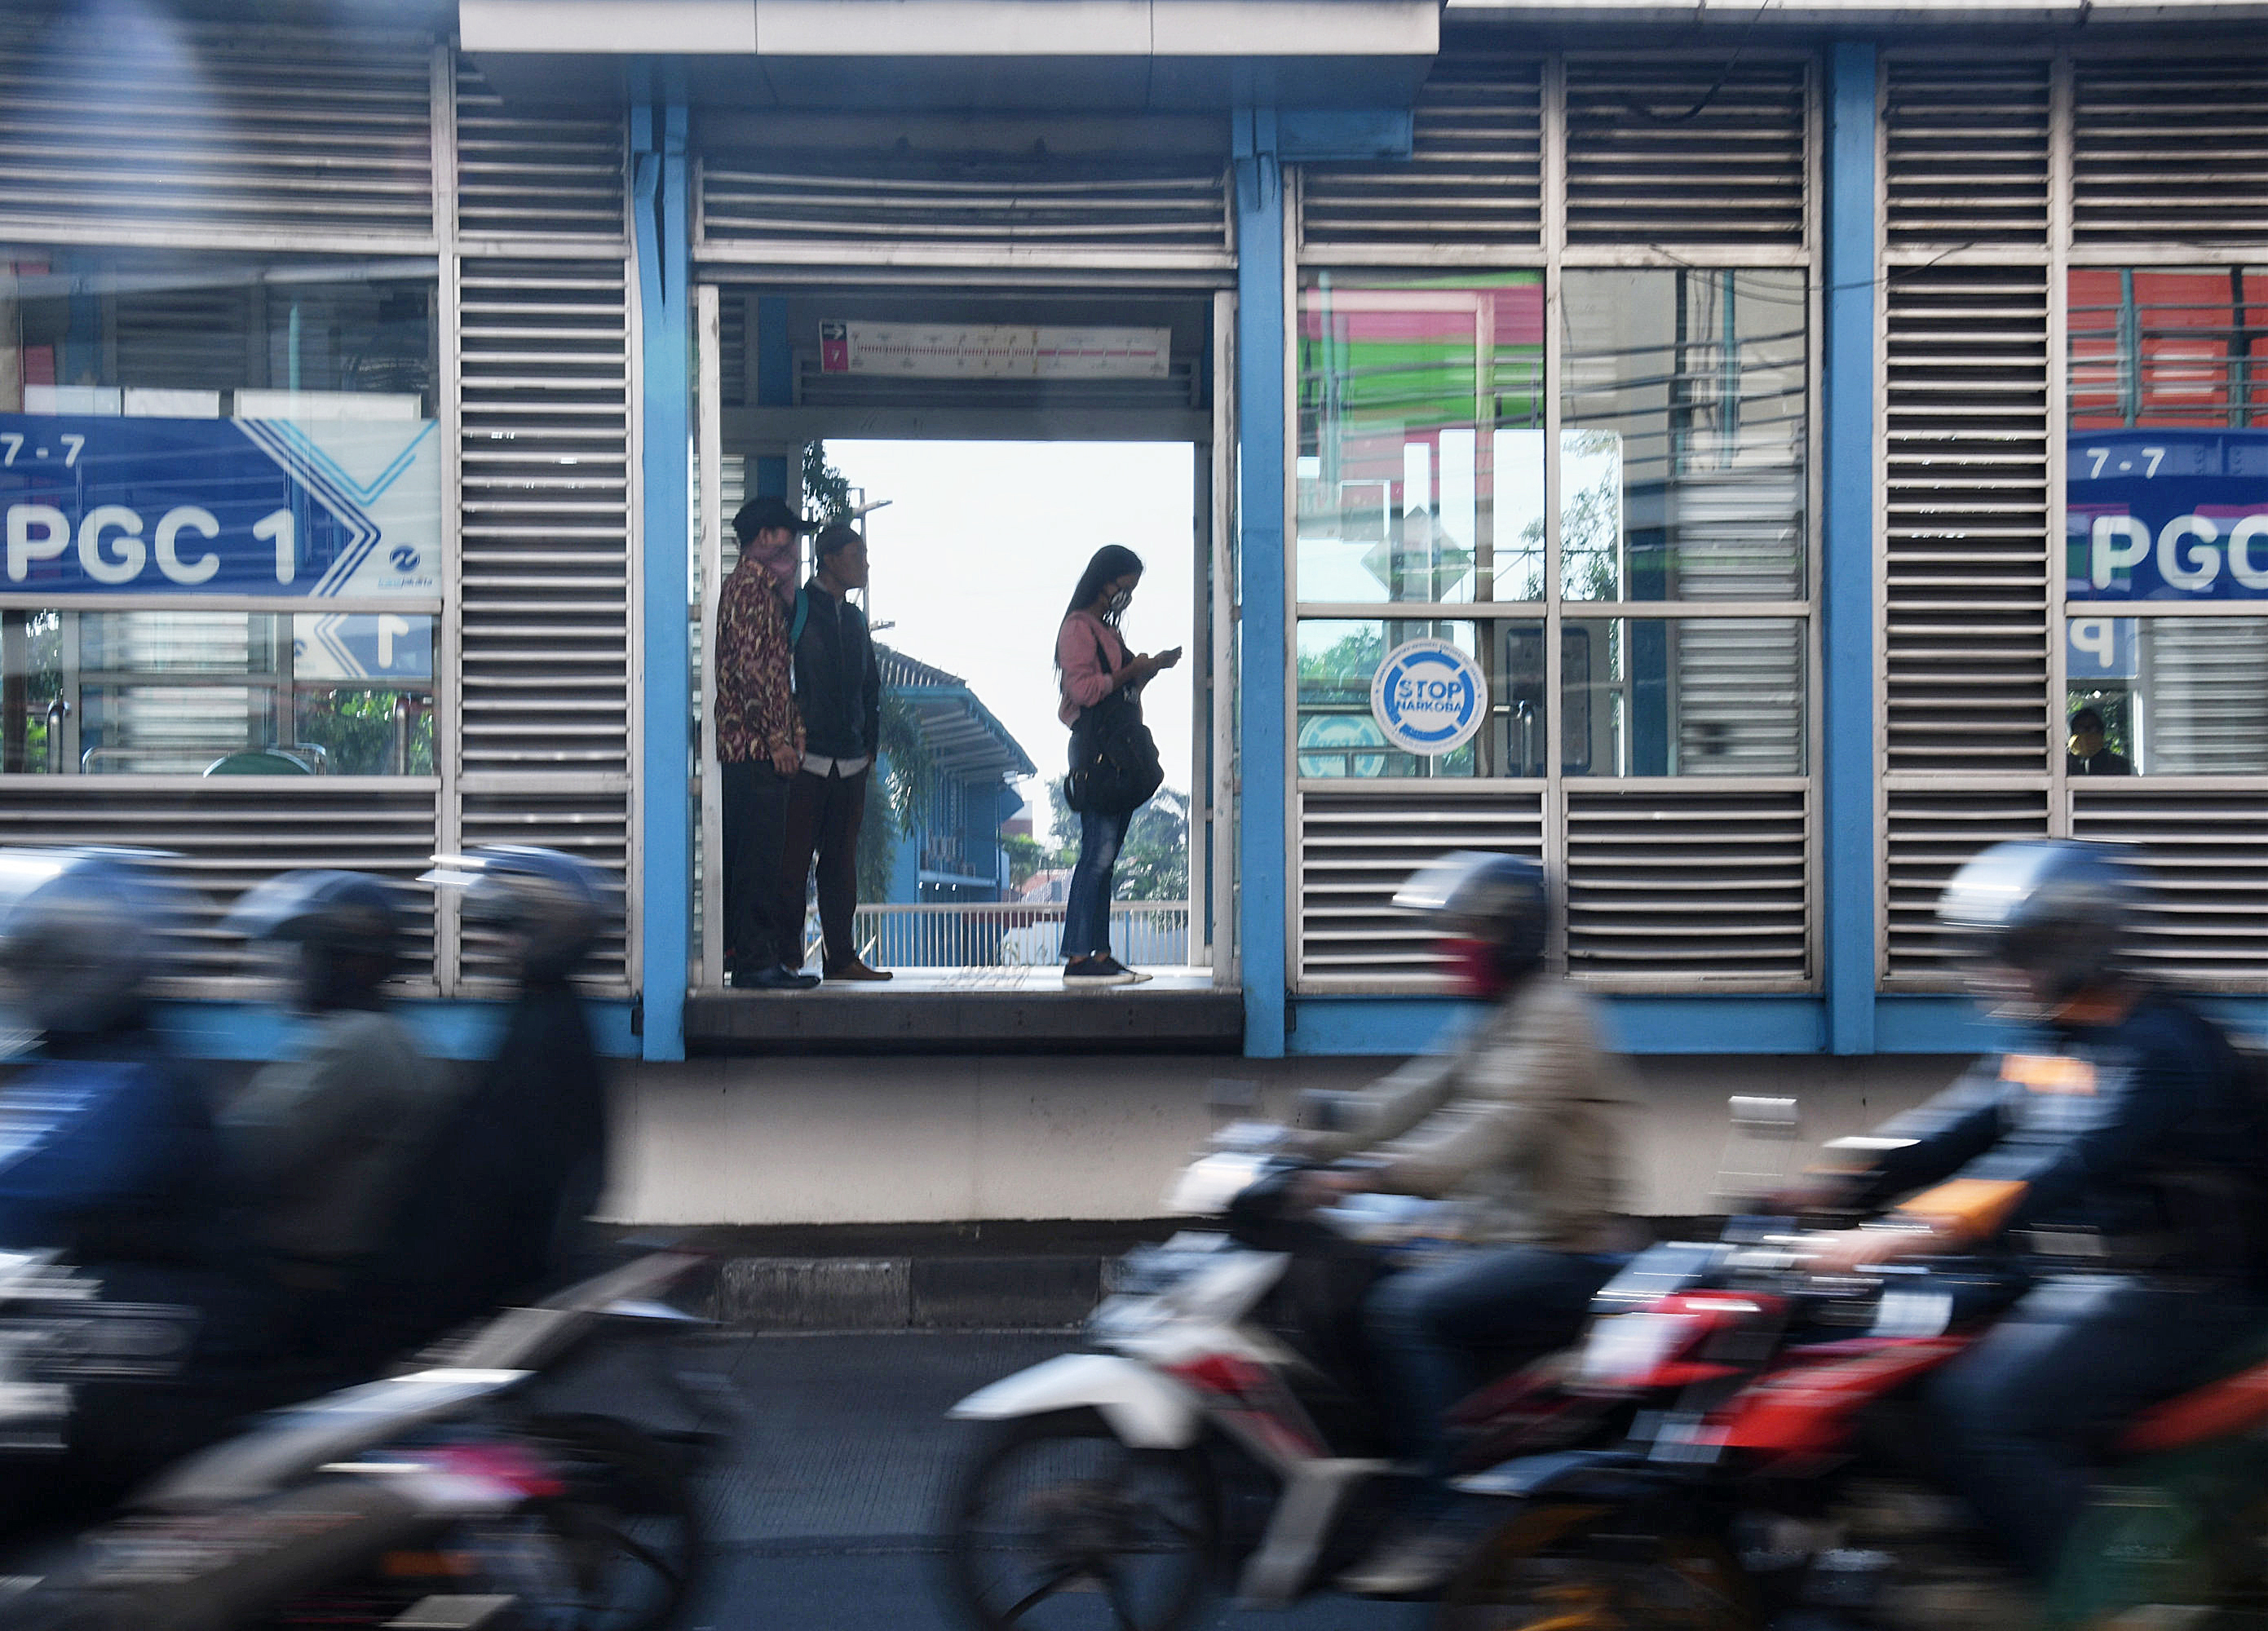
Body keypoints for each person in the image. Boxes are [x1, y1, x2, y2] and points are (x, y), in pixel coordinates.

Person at [1802, 839, 2264, 1589]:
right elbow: (1949, 1130)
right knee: (1865, 1343)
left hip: (2172, 1289)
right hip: (2059, 1271)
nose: (1993, 971)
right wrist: (1824, 1184)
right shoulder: (2059, 1036)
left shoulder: (2160, 1049)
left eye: (2009, 952)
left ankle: (2118, 1598)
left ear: (2073, 945)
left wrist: (1895, 1236)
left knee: (1984, 1409)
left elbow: (2048, 1167)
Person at [1295, 852, 1634, 1596]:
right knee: (1354, 1271)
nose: (1453, 948)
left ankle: (1442, 1520)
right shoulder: (1491, 1020)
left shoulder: (1556, 1020)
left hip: (1560, 1250)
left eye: (1470, 933)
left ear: (1513, 937)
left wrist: (1367, 1175)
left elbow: (1488, 1132)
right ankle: (1381, 1467)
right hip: (1491, 1233)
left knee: (1405, 1312)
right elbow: (1404, 1100)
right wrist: (1299, 1136)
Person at [0, 849, 276, 1505]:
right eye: (36, 959)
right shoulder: (73, 1060)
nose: (41, 979)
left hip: (154, 1366)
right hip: (94, 1336)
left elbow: (30, 1184)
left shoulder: (136, 1078)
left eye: (64, 959)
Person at [219, 869, 452, 1366]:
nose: (295, 969)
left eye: (307, 953)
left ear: (350, 961)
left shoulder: (358, 1042)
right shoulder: (383, 1036)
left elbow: (250, 1153)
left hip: (311, 1299)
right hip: (336, 1293)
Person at [387, 846, 621, 1333]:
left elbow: (497, 1161)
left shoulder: (546, 1029)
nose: (496, 942)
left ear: (545, 932)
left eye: (509, 929)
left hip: (492, 1264)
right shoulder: (541, 1010)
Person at [1055, 544, 1180, 987]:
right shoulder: (1078, 628)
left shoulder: (1103, 630)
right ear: (1104, 579)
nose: (1124, 596)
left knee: (1105, 859)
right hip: (1100, 755)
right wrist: (1133, 671)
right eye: (1123, 586)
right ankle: (1076, 957)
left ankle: (1099, 954)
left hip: (1119, 753)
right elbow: (1085, 690)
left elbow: (1116, 686)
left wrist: (1150, 668)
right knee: (1097, 855)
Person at [718, 496, 820, 991]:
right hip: (754, 752)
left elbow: (779, 678)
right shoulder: (749, 592)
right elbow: (754, 673)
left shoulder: (763, 593)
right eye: (787, 535)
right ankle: (756, 961)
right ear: (763, 539)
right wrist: (779, 740)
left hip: (760, 749)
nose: (795, 546)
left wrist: (793, 732)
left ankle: (756, 956)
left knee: (759, 858)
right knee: (759, 862)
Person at [783, 522, 891, 983]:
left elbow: (870, 687)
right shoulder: (799, 608)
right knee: (791, 861)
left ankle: (841, 958)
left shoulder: (857, 619)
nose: (866, 563)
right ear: (829, 558)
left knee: (841, 864)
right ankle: (785, 959)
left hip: (850, 760)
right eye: (858, 553)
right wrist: (788, 735)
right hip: (803, 760)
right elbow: (779, 676)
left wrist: (869, 746)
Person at [2067, 705, 2133, 776]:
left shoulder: (2119, 764)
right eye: (2081, 728)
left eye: (2093, 728)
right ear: (2072, 733)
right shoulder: (2062, 764)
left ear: (2101, 732)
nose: (2087, 733)